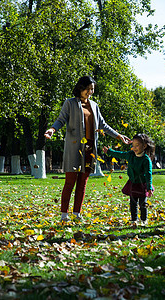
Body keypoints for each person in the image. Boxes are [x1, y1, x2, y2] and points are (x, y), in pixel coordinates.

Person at [44, 76, 131, 222]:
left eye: (92, 89)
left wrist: (119, 136)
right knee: (70, 181)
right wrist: (52, 129)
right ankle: (64, 214)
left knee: (83, 182)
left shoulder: (94, 106)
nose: (90, 92)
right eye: (88, 89)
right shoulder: (70, 103)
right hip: (74, 147)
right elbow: (61, 119)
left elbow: (103, 125)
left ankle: (77, 213)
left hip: (90, 148)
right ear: (80, 88)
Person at [103, 133, 154, 227]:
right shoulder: (130, 154)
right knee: (133, 203)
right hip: (133, 183)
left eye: (137, 145)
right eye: (133, 145)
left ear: (144, 146)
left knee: (143, 203)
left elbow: (148, 174)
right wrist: (109, 151)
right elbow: (120, 154)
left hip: (142, 184)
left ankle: (144, 219)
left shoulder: (146, 160)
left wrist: (149, 187)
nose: (134, 148)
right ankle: (134, 220)